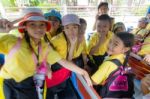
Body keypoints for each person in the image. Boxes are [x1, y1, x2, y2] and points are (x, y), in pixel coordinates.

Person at [0, 8, 92, 99]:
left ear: (45, 27)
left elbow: (63, 61)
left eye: (41, 25)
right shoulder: (12, 41)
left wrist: (83, 72)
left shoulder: (44, 46)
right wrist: (2, 30)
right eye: (32, 24)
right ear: (25, 27)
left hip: (30, 84)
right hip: (10, 85)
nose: (38, 28)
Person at [91, 32, 135, 98]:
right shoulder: (125, 59)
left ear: (125, 49)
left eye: (115, 44)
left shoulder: (109, 64)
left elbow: (94, 82)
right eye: (110, 41)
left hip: (105, 93)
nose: (110, 45)